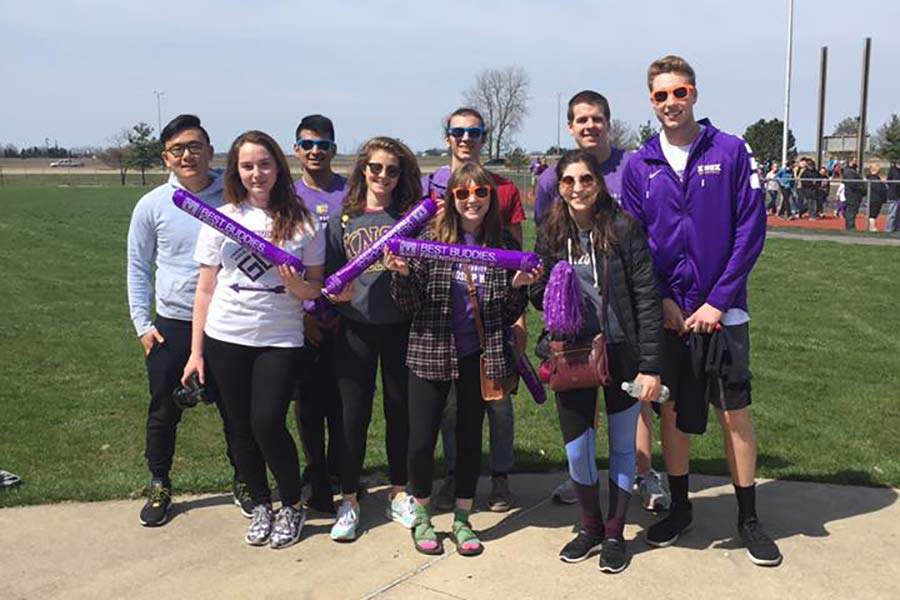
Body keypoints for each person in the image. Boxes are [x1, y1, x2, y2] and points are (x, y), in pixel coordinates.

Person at [621, 55, 782, 567]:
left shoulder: (731, 151)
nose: (671, 102)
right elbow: (637, 243)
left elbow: (749, 232)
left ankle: (748, 517)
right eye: (661, 95)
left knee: (733, 411)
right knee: (672, 412)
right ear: (651, 100)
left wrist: (719, 299)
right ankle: (682, 508)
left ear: (694, 93)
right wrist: (665, 299)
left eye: (680, 92)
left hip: (724, 312)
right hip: (668, 312)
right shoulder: (639, 163)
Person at [386, 161, 538, 557]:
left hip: (477, 357)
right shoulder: (428, 237)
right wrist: (401, 274)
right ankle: (421, 516)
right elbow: (410, 305)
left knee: (470, 439)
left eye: (481, 192)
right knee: (421, 441)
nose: (473, 200)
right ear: (450, 198)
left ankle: (463, 520)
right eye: (463, 193)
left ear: (491, 196)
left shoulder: (503, 245)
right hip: (429, 352)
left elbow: (503, 316)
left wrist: (519, 289)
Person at [183, 130, 325, 549]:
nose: (256, 173)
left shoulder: (303, 221)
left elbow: (316, 286)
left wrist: (300, 289)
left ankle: (291, 505)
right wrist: (196, 352)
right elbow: (206, 288)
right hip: (226, 335)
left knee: (267, 421)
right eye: (247, 166)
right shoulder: (221, 217)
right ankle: (261, 503)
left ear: (278, 167)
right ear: (236, 171)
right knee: (239, 427)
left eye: (264, 164)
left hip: (279, 337)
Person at [533, 90, 668, 512]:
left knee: (633, 411)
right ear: (570, 127)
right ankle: (586, 477)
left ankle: (641, 477)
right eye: (581, 120)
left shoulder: (633, 166)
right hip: (580, 325)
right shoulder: (549, 181)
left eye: (597, 118)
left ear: (608, 122)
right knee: (581, 399)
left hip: (625, 304)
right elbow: (549, 243)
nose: (589, 126)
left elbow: (648, 231)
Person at [126, 114, 245, 527]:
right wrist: (143, 325)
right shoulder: (152, 205)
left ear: (211, 151)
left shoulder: (235, 197)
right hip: (171, 325)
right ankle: (160, 483)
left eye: (195, 146)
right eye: (178, 149)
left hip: (226, 323)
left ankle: (244, 480)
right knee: (163, 411)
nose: (187, 155)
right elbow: (137, 267)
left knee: (235, 409)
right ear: (166, 158)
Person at [421, 107, 527, 512]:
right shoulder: (430, 189)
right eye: (458, 132)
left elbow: (514, 255)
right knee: (451, 405)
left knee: (498, 401)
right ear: (447, 136)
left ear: (484, 137)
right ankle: (453, 475)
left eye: (474, 132)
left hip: (495, 317)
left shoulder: (503, 189)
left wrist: (518, 320)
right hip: (449, 322)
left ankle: (500, 478)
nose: (466, 139)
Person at [325, 137, 421, 542]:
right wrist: (336, 294)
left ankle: (400, 491)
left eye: (392, 170)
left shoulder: (411, 218)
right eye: (376, 168)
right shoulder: (342, 219)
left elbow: (423, 277)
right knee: (352, 416)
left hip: (400, 327)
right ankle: (349, 498)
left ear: (402, 175)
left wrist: (404, 272)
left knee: (401, 411)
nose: (383, 176)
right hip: (355, 328)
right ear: (363, 169)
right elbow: (329, 276)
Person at [292, 114, 346, 514]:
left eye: (323, 145)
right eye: (308, 144)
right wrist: (304, 314)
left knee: (345, 403)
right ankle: (317, 474)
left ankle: (343, 474)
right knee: (309, 405)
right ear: (297, 150)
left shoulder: (351, 193)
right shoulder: (288, 198)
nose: (316, 151)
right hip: (304, 317)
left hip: (349, 317)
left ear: (333, 149)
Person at [842, 158, 866, 231]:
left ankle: (850, 227)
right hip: (852, 195)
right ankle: (850, 228)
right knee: (851, 212)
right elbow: (852, 183)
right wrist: (862, 189)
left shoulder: (853, 171)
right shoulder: (849, 172)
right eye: (854, 161)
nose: (855, 162)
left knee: (853, 211)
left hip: (856, 195)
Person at [865, 164, 887, 232]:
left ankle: (872, 226)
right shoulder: (872, 178)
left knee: (874, 214)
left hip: (877, 199)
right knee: (872, 214)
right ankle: (872, 227)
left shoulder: (877, 178)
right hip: (874, 198)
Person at [886, 162, 900, 232]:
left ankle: (897, 228)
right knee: (892, 213)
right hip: (894, 195)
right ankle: (888, 229)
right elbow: (889, 181)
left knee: (898, 214)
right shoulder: (893, 170)